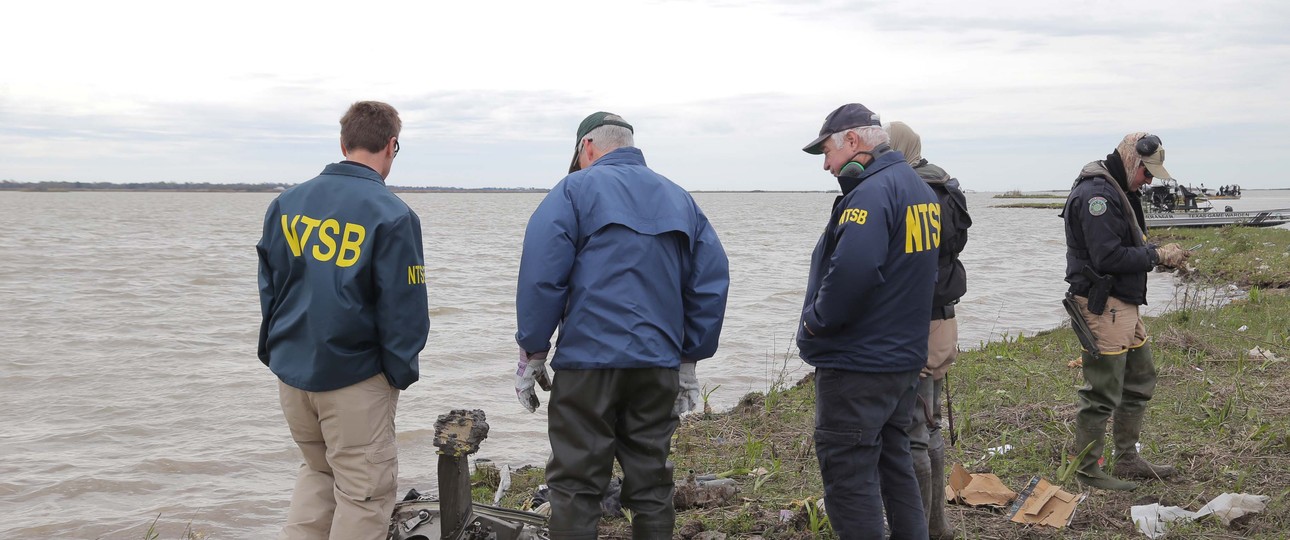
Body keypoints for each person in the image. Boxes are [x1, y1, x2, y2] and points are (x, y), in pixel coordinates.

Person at [513, 112, 730, 540]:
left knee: (576, 484)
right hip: (657, 366)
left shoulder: (572, 191)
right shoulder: (679, 198)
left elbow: (542, 276)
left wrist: (534, 352)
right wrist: (689, 357)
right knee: (651, 482)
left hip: (587, 364)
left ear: (586, 148)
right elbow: (710, 282)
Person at [257, 101, 429, 540]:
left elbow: (270, 288)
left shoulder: (287, 203)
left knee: (317, 473)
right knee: (364, 494)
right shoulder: (393, 214)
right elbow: (404, 309)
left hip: (293, 371)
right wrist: (398, 373)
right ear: (392, 146)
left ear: (343, 142)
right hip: (354, 377)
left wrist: (276, 352)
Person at [798, 103, 939, 539]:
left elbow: (855, 270)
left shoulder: (871, 193)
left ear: (853, 141)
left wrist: (818, 322)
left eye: (827, 152)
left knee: (849, 478)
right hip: (900, 361)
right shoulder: (920, 191)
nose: (826, 165)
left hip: (858, 364)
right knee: (895, 466)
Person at [1061, 132, 1189, 491]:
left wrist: (1156, 249)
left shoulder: (1119, 189)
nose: (1148, 181)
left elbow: (1126, 244)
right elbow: (1108, 256)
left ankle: (1128, 459)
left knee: (1140, 377)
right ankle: (1088, 469)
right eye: (1147, 173)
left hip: (1124, 304)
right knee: (1102, 391)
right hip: (1104, 306)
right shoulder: (1097, 195)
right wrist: (1156, 256)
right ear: (1132, 160)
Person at [887, 121, 971, 539]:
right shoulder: (943, 186)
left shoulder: (913, 192)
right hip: (942, 317)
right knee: (930, 422)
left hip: (917, 321)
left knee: (914, 430)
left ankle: (919, 529)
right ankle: (937, 526)